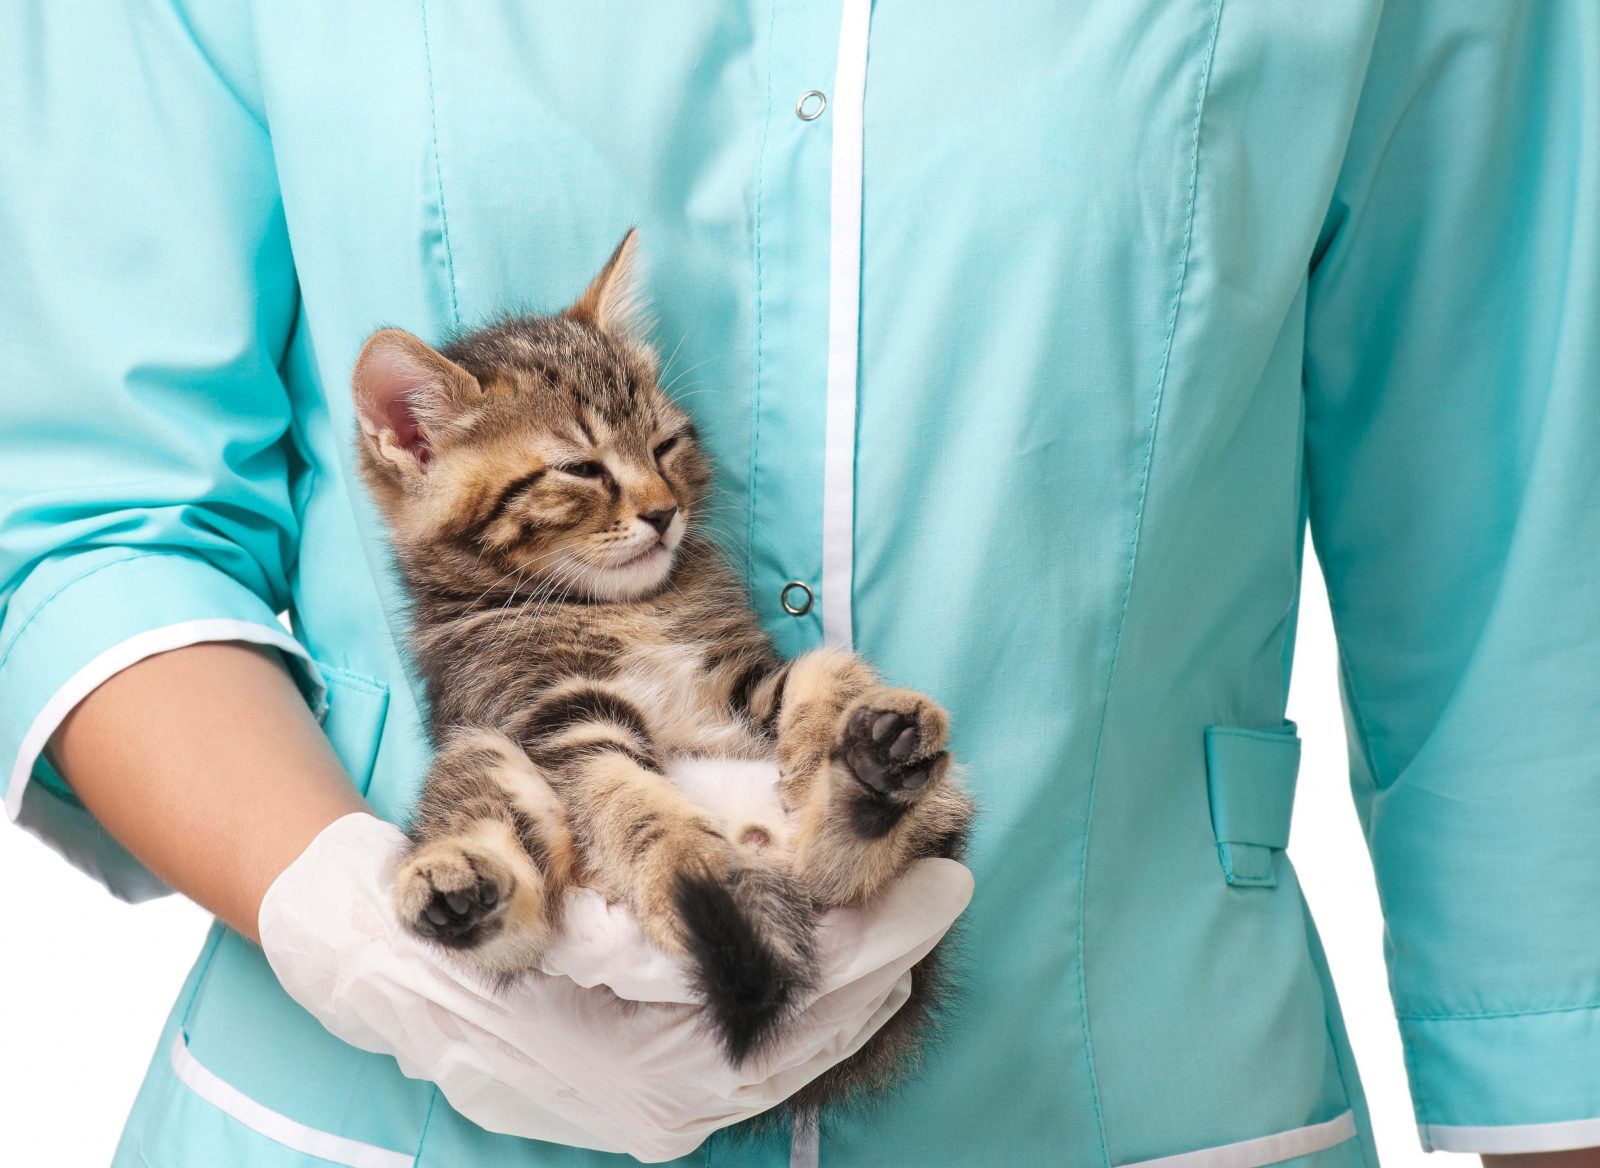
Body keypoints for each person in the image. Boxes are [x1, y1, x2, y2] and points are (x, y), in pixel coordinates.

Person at [1, 3, 1596, 1166]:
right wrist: (352, 936)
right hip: (370, 1114)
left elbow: (1515, 553)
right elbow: (91, 519)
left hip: (1127, 1092)